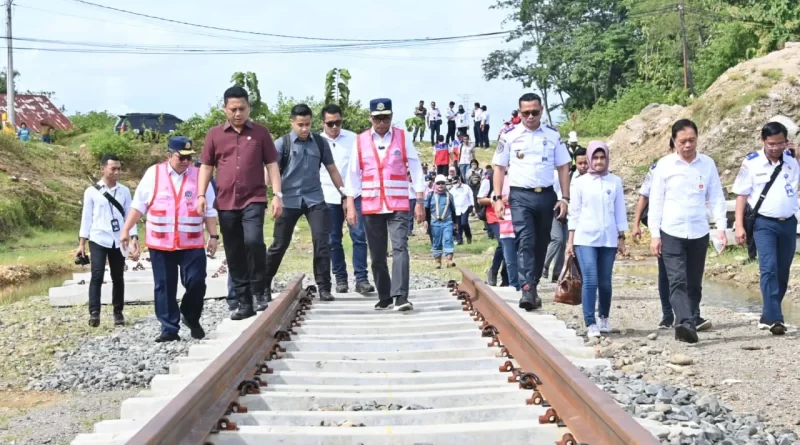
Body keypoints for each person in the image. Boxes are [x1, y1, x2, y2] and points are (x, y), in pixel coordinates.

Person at [121, 137, 219, 342]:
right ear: (168, 155)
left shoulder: (200, 175)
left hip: (191, 241)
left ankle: (190, 316)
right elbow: (139, 205)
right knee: (164, 285)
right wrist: (127, 230)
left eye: (189, 158)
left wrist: (214, 235)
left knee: (197, 282)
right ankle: (169, 328)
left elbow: (209, 209)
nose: (185, 162)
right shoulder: (153, 174)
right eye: (180, 157)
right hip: (161, 242)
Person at [197, 86, 282, 321]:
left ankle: (259, 289)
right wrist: (201, 194)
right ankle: (244, 302)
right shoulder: (214, 135)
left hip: (253, 198)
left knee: (254, 241)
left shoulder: (261, 133)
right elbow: (206, 166)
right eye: (233, 109)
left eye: (242, 108)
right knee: (234, 252)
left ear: (249, 108)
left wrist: (277, 195)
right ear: (225, 108)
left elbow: (272, 165)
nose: (237, 113)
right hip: (225, 202)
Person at [649, 119, 727, 344]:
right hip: (671, 231)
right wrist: (655, 234)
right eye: (682, 141)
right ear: (674, 141)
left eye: (691, 140)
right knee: (677, 281)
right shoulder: (664, 166)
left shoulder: (707, 164)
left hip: (698, 231)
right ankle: (684, 323)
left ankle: (690, 319)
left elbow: (716, 197)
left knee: (694, 282)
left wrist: (720, 228)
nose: (687, 145)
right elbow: (656, 201)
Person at [344, 98, 426, 311]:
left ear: (391, 116)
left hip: (398, 203)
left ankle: (400, 296)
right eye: (377, 118)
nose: (382, 122)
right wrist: (351, 204)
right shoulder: (361, 140)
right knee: (377, 254)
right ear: (371, 118)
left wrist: (419, 200)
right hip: (371, 205)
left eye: (386, 117)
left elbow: (416, 169)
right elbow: (352, 175)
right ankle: (385, 295)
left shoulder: (402, 137)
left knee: (400, 247)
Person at [492, 93, 571, 311]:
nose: (530, 117)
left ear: (541, 111)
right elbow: (498, 167)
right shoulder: (509, 135)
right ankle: (526, 287)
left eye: (534, 112)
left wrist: (565, 197)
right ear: (519, 113)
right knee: (525, 240)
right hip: (520, 196)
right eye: (525, 113)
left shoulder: (553, 135)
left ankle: (532, 285)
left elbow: (564, 166)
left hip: (546, 196)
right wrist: (497, 197)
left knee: (542, 242)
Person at [267, 104, 347, 302]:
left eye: (308, 124)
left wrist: (345, 194)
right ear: (292, 122)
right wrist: (271, 195)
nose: (304, 129)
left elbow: (332, 169)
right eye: (300, 125)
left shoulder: (319, 142)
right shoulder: (282, 143)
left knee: (322, 242)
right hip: (289, 200)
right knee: (279, 244)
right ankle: (261, 285)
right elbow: (271, 171)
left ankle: (324, 287)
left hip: (315, 199)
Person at [733, 122, 798, 336]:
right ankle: (776, 319)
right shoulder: (752, 163)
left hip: (788, 222)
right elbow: (742, 196)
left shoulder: (791, 161)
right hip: (764, 223)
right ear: (763, 141)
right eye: (771, 144)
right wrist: (740, 225)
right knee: (768, 267)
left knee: (782, 271)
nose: (775, 148)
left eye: (780, 143)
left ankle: (768, 314)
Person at [566, 142, 628, 338]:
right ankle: (590, 322)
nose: (599, 161)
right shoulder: (579, 182)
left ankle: (604, 318)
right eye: (595, 158)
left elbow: (620, 211)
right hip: (585, 237)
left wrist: (621, 237)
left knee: (605, 282)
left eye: (602, 158)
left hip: (608, 238)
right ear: (590, 159)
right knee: (590, 279)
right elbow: (574, 213)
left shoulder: (615, 181)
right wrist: (570, 241)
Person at [319, 104, 375, 295]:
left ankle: (361, 279)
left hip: (354, 195)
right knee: (333, 240)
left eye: (338, 122)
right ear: (323, 123)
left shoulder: (354, 139)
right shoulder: (317, 141)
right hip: (328, 197)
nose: (335, 127)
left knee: (359, 236)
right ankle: (340, 279)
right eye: (330, 123)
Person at [77, 154, 136, 328]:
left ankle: (118, 312)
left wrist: (133, 237)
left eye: (119, 168)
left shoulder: (124, 191)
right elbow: (86, 218)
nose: (117, 172)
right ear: (103, 169)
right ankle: (94, 312)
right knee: (97, 275)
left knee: (118, 276)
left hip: (119, 238)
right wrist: (82, 243)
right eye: (113, 169)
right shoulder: (91, 192)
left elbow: (129, 216)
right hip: (98, 237)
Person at [632, 141, 677, 329]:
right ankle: (668, 314)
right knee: (666, 272)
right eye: (676, 147)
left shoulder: (698, 165)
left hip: (688, 227)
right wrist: (635, 224)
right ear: (670, 149)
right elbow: (645, 196)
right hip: (664, 226)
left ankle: (691, 313)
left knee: (688, 273)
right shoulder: (658, 168)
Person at [544, 147, 588, 282]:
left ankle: (559, 273)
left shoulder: (594, 178)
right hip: (560, 213)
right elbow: (555, 193)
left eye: (586, 163)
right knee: (558, 240)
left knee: (568, 244)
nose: (583, 166)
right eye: (580, 163)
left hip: (580, 217)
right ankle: (543, 266)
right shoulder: (567, 176)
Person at [478, 169, 519, 290]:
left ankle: (506, 278)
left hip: (511, 217)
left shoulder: (515, 177)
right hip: (494, 216)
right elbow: (480, 199)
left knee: (511, 246)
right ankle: (494, 271)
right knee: (503, 244)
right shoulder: (490, 178)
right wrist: (497, 199)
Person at [424, 174, 458, 268]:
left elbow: (453, 210)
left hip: (447, 221)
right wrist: (426, 221)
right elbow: (426, 209)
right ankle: (438, 261)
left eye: (442, 183)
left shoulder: (449, 196)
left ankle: (449, 260)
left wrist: (455, 223)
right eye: (438, 183)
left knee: (448, 239)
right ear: (435, 184)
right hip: (434, 222)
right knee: (436, 241)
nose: (440, 185)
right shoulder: (430, 195)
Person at [450, 175, 474, 244]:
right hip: (456, 209)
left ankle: (468, 236)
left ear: (459, 180)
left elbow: (471, 196)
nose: (455, 184)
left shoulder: (466, 187)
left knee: (464, 223)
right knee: (458, 225)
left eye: (456, 182)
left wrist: (472, 205)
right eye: (454, 182)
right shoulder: (452, 189)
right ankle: (459, 239)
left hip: (465, 207)